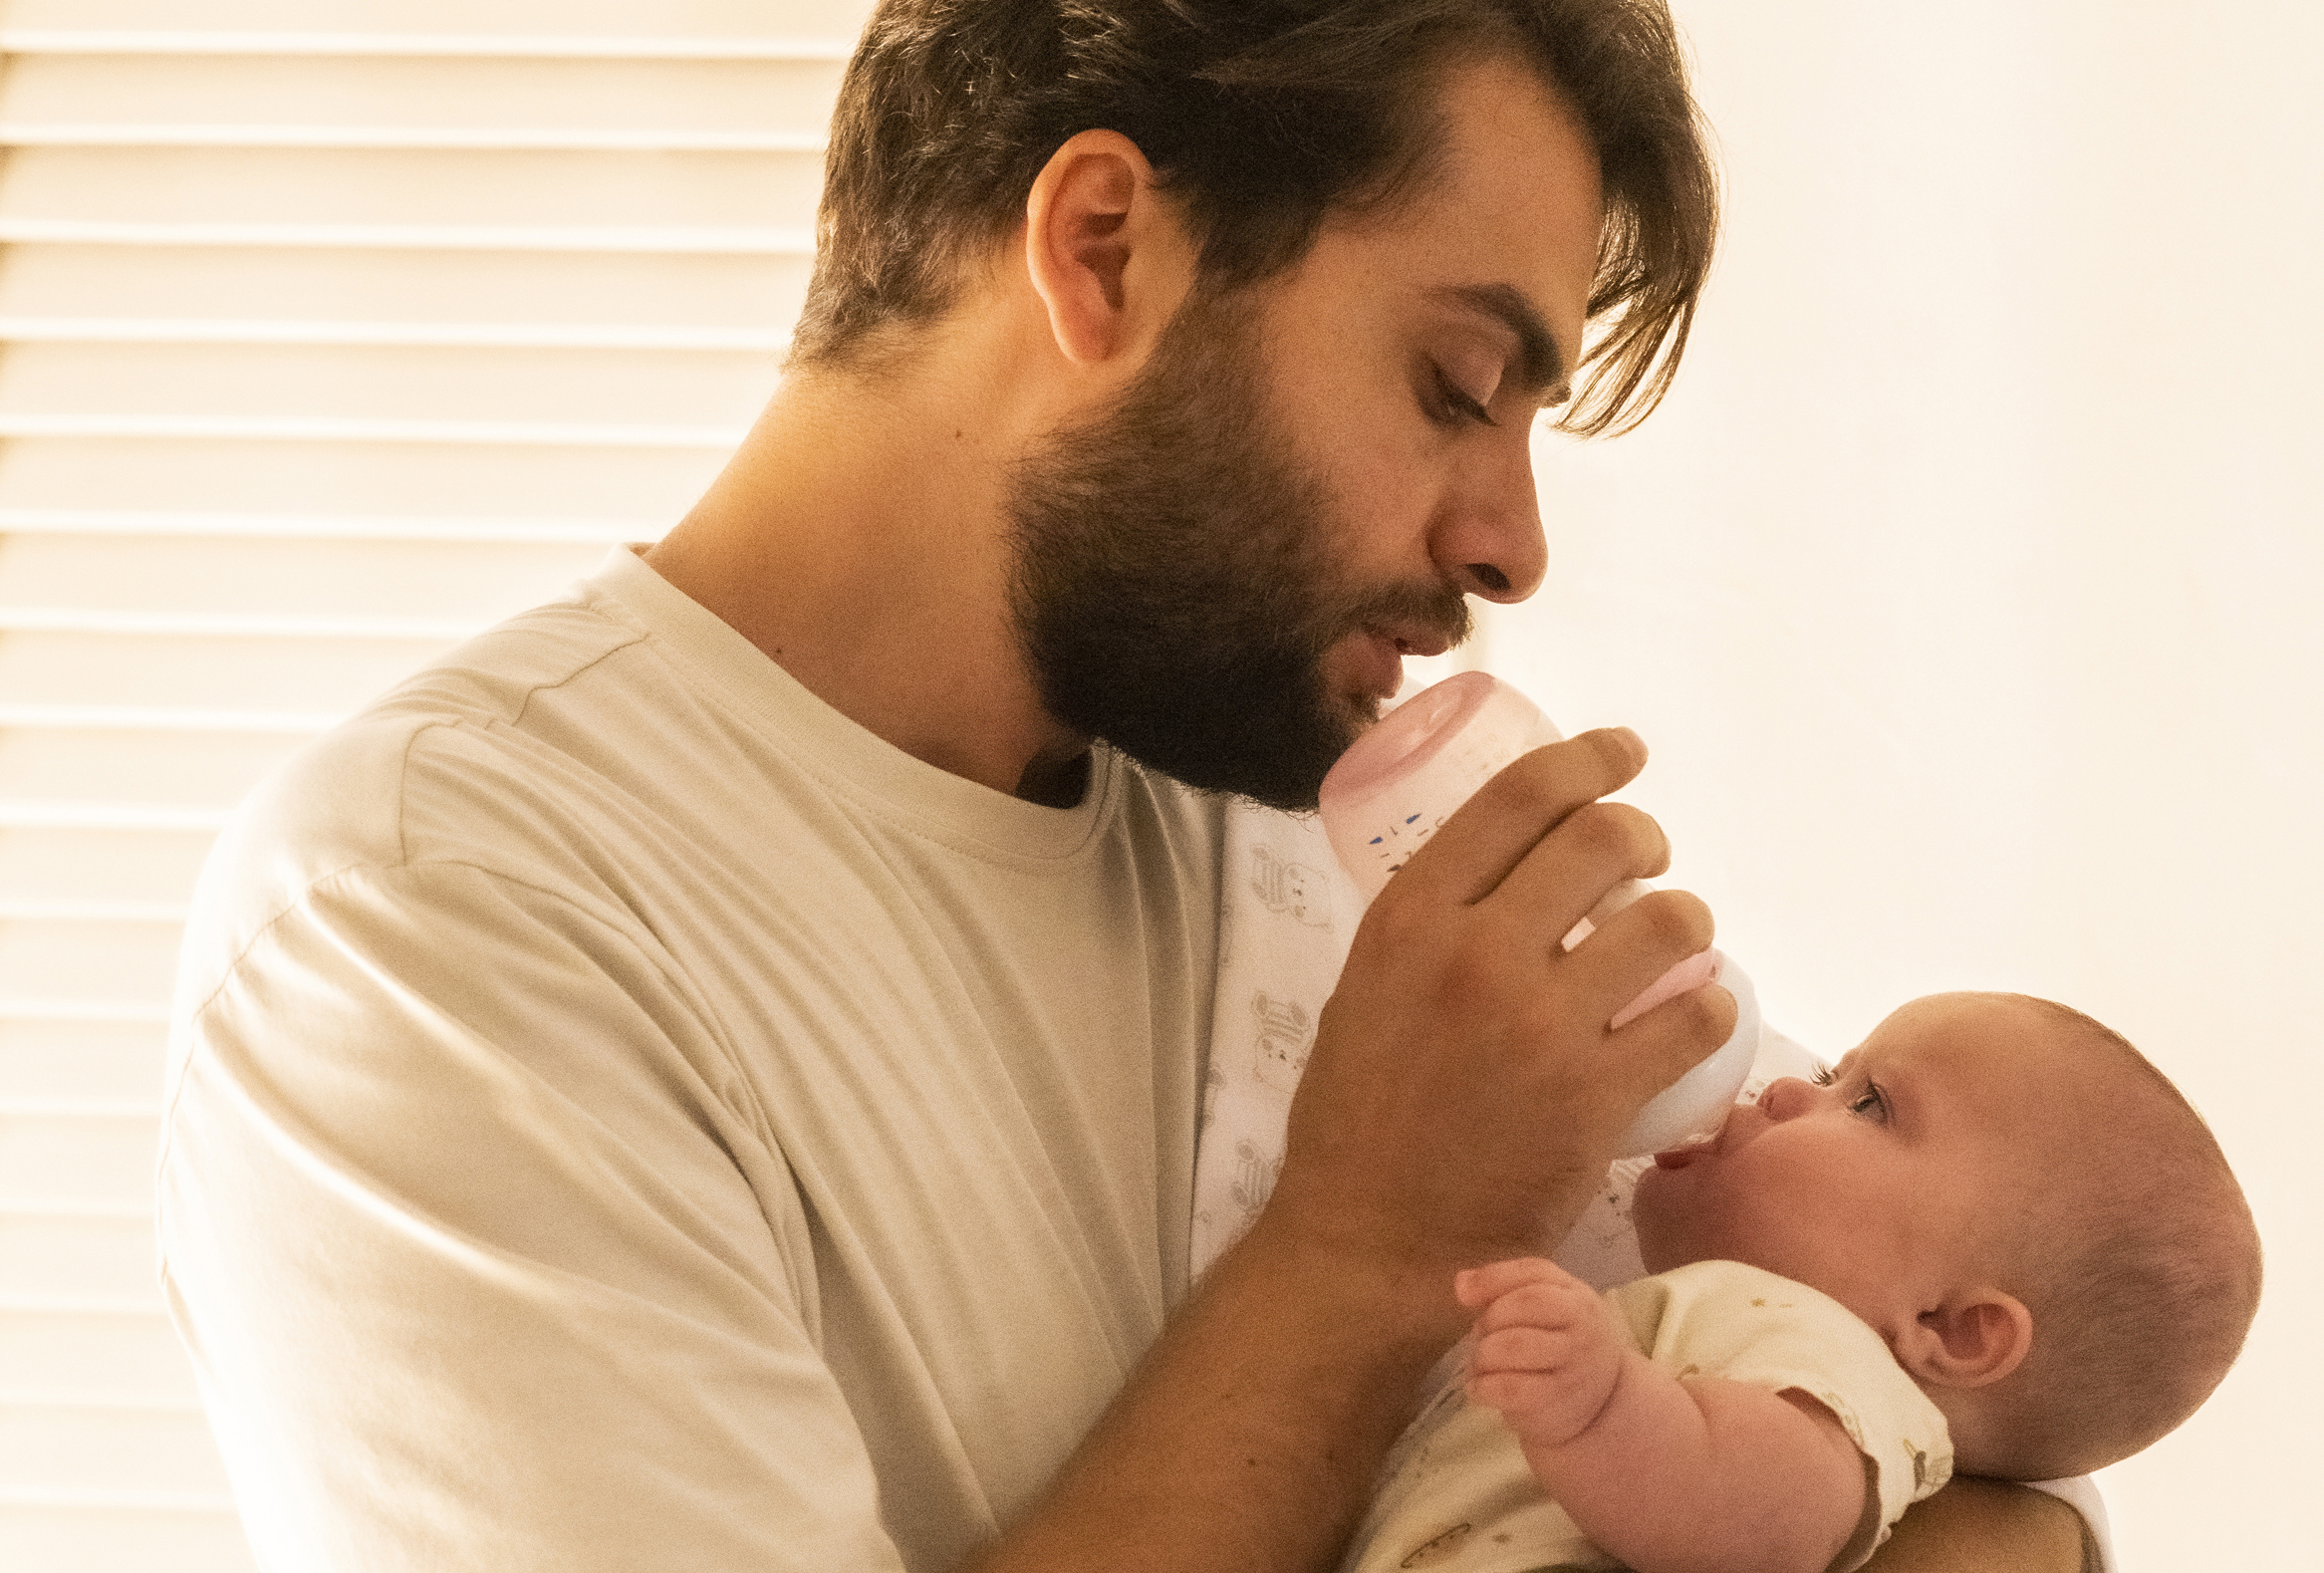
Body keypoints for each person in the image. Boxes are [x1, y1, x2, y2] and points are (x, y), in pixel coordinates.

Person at [154, 3, 2094, 1569]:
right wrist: (1364, 1242)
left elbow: (1987, 1356)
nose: (1509, 546)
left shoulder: (1290, 771)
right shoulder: (430, 921)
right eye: (1448, 384)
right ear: (1100, 248)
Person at [1345, 992, 2262, 1573]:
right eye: (1832, 1072)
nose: (1785, 1089)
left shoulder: (1836, 1369)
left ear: (1950, 1326)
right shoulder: (1751, 1324)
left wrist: (1601, 1402)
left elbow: (1755, 1521)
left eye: (1867, 1103)